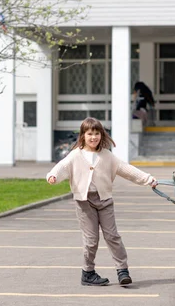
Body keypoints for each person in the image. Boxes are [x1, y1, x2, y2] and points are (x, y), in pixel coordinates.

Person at [46, 117, 159, 286]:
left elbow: (127, 170)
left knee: (112, 236)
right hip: (84, 202)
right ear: (83, 136)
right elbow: (62, 166)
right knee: (91, 240)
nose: (93, 137)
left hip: (105, 201)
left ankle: (122, 270)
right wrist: (53, 176)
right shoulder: (76, 155)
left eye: (97, 133)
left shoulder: (107, 156)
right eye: (89, 134)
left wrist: (148, 179)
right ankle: (88, 273)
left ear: (102, 135)